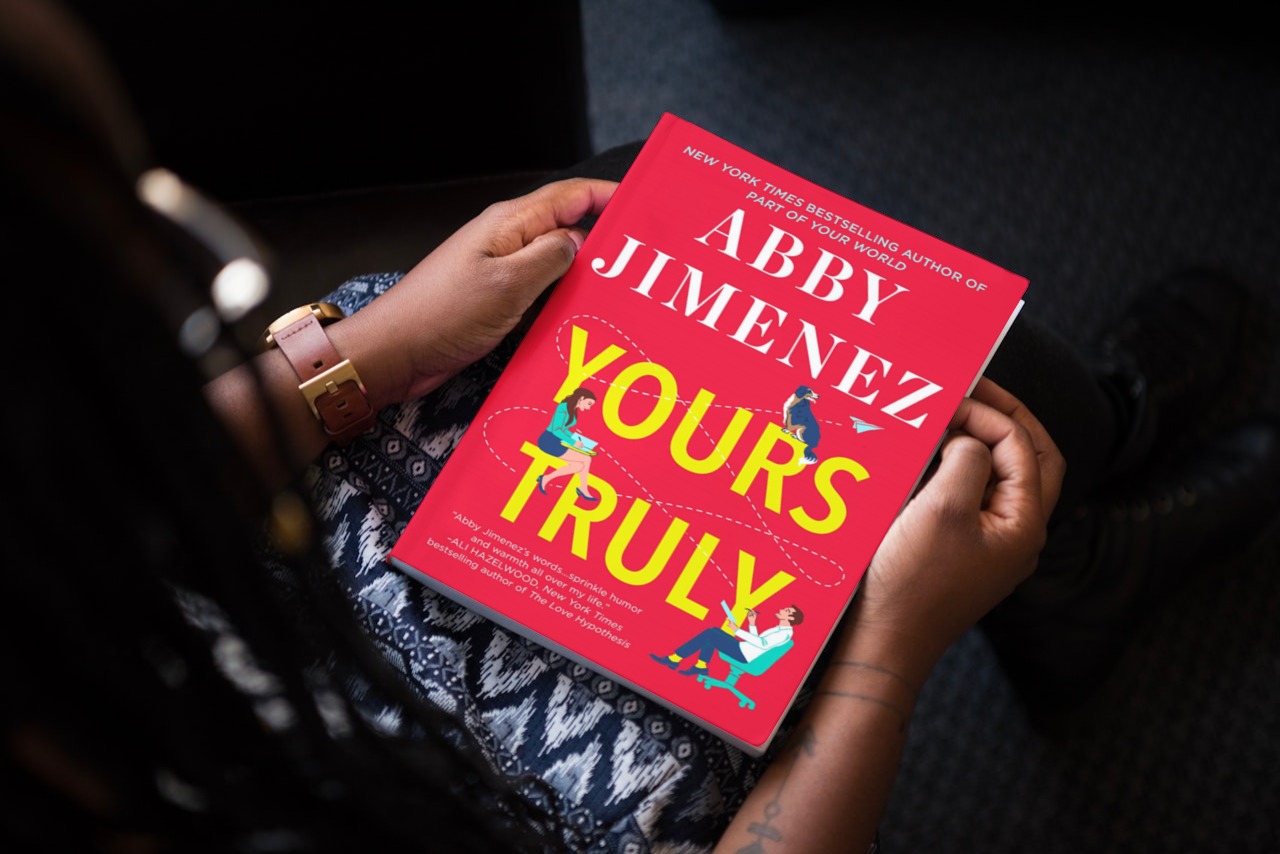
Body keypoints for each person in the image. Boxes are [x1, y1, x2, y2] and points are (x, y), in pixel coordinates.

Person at [3, 2, 1278, 852]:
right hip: (580, 786)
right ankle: (1086, 526)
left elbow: (113, 489)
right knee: (920, 420)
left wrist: (369, 352)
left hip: (335, 530)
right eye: (147, 250)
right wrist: (890, 657)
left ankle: (1078, 522)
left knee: (714, 259)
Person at [650, 604, 803, 676]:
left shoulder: (784, 633)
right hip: (744, 648)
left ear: (790, 618)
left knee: (710, 635)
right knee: (714, 632)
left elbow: (761, 645)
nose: (782, 610)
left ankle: (674, 658)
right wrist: (752, 623)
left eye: (787, 611)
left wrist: (737, 630)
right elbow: (758, 640)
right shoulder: (779, 629)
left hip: (744, 654)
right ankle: (701, 665)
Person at [535, 386, 601, 500]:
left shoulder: (573, 410)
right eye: (589, 403)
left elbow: (564, 429)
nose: (589, 408)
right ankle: (583, 488)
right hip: (549, 440)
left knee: (578, 465)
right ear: (582, 398)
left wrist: (580, 439)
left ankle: (545, 479)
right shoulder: (563, 407)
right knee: (586, 459)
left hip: (559, 441)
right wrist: (573, 442)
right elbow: (556, 429)